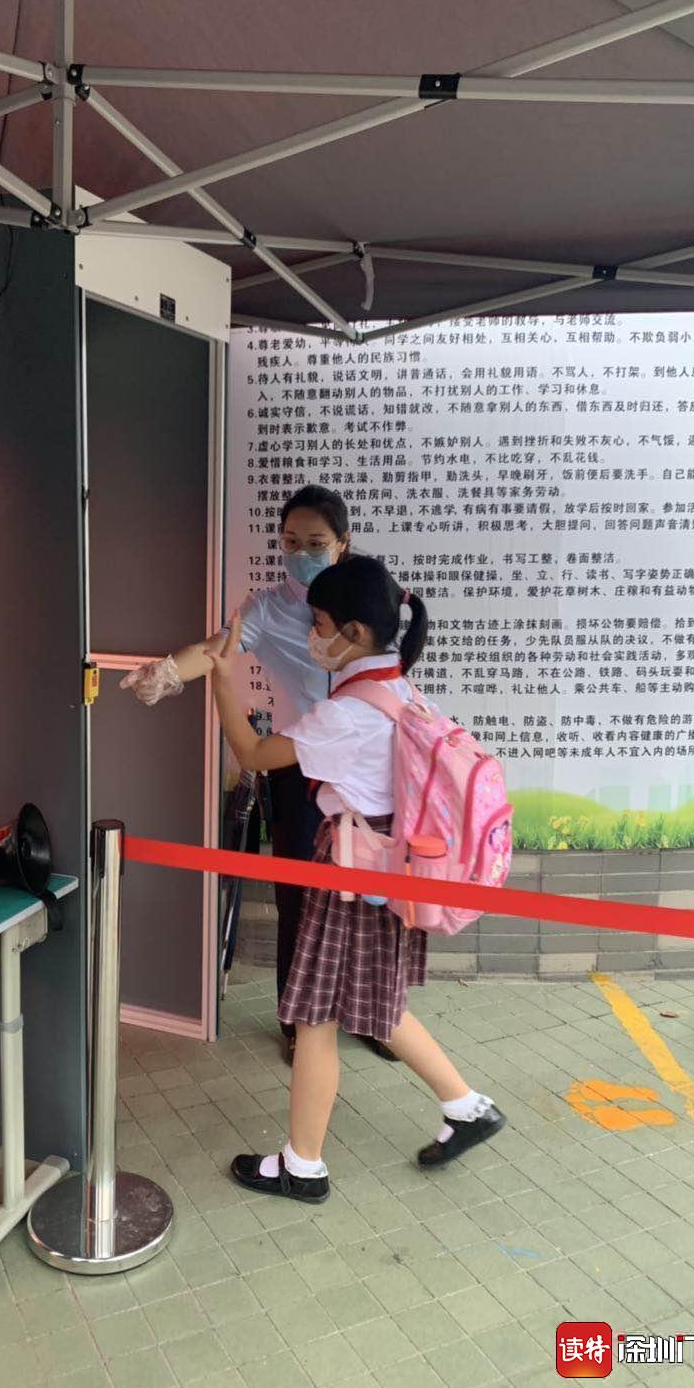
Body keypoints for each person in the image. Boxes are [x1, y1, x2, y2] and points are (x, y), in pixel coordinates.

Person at [207, 555, 506, 1201]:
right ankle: (467, 1107)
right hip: (386, 873)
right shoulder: (400, 690)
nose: (312, 635)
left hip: (350, 873)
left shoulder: (346, 714)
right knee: (378, 1004)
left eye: (319, 623)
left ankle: (302, 1166)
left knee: (315, 1018)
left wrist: (224, 682)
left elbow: (253, 754)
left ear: (356, 633)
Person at [122, 486, 401, 1062]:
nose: (301, 554)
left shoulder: (366, 595)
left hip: (369, 774)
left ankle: (373, 1015)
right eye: (290, 542)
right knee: (300, 898)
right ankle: (298, 1020)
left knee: (375, 899)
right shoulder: (269, 608)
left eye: (315, 543)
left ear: (343, 543)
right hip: (299, 770)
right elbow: (215, 649)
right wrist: (167, 672)